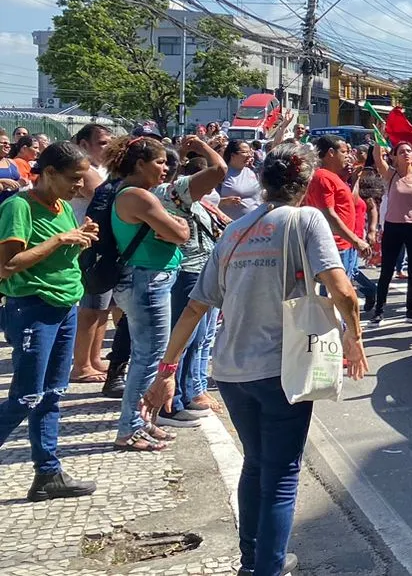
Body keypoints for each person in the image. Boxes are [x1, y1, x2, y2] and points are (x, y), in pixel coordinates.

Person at [145, 144, 367, 576]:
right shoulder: (306, 219)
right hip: (282, 368)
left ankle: (253, 561)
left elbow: (196, 306)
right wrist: (354, 338)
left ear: (263, 183)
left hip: (230, 370)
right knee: (282, 474)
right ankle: (268, 567)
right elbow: (342, 289)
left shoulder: (234, 230)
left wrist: (167, 369)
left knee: (255, 464)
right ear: (305, 183)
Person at [0, 142, 99, 501]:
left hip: (64, 307)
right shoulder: (19, 206)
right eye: (74, 179)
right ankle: (47, 472)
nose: (79, 186)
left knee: (52, 395)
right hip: (32, 308)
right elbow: (8, 265)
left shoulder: (62, 207)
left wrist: (80, 238)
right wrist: (60, 240)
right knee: (25, 397)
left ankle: (48, 474)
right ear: (50, 173)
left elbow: (58, 254)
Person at [107, 136, 193, 453]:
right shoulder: (138, 197)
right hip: (146, 280)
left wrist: (176, 226)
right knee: (147, 357)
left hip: (149, 278)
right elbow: (180, 233)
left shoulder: (135, 195)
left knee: (149, 354)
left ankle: (143, 421)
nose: (166, 167)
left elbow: (176, 232)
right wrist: (178, 224)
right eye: (159, 161)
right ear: (140, 164)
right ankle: (129, 427)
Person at [156, 141, 230, 428]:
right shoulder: (171, 193)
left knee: (198, 339)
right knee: (184, 340)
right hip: (188, 271)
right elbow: (219, 169)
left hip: (200, 270)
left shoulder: (182, 198)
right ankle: (169, 405)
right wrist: (200, 145)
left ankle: (186, 395)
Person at [305, 137, 375, 316]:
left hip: (344, 246)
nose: (348, 155)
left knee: (341, 295)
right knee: (336, 299)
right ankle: (339, 337)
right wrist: (356, 241)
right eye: (343, 151)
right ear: (330, 153)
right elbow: (328, 215)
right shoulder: (322, 177)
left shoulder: (333, 177)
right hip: (335, 246)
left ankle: (343, 334)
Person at [69, 124, 114, 384]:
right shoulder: (83, 168)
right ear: (84, 144)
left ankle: (94, 358)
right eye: (102, 143)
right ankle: (81, 364)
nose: (107, 148)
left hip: (100, 240)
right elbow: (104, 191)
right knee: (89, 308)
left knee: (102, 308)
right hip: (85, 242)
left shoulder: (100, 168)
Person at [371, 142, 412, 326]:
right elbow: (377, 158)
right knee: (387, 270)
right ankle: (379, 311)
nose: (406, 154)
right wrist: (378, 138)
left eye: (409, 151)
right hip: (393, 227)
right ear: (394, 157)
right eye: (401, 151)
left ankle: (411, 311)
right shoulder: (391, 175)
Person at [216, 140, 262, 216]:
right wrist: (224, 201)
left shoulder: (250, 172)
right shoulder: (221, 174)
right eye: (244, 152)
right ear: (232, 155)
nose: (249, 155)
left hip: (255, 222)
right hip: (231, 224)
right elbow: (208, 200)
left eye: (250, 152)